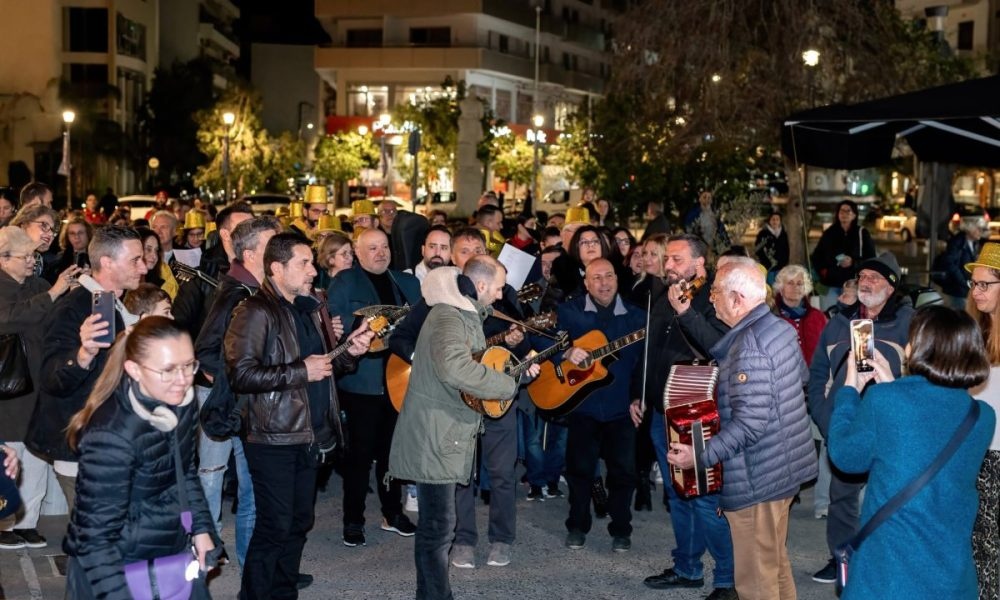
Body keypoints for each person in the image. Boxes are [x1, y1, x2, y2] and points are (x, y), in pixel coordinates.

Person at [225, 233, 373, 599]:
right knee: (274, 527)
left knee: (298, 524)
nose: (312, 270)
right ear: (276, 268)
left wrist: (349, 351)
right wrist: (299, 372)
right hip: (273, 436)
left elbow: (324, 366)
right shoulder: (254, 310)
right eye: (303, 263)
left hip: (310, 433)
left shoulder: (308, 308)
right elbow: (240, 375)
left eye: (312, 262)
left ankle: (283, 591)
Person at [668, 257, 817, 600]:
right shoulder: (777, 327)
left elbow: (749, 425)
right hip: (782, 470)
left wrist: (699, 455)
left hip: (757, 478)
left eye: (716, 291)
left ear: (737, 299)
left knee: (754, 582)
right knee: (775, 566)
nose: (710, 298)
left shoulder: (749, 347)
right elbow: (802, 379)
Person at [829, 306, 995, 599]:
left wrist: (849, 390)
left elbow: (845, 456)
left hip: (889, 574)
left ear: (920, 348)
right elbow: (928, 431)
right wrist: (895, 388)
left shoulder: (885, 401)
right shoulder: (981, 415)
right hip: (950, 575)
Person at [388, 257, 521, 600]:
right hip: (436, 436)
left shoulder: (459, 313)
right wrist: (504, 384)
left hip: (442, 433)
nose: (501, 292)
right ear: (480, 286)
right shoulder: (450, 316)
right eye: (498, 285)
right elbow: (455, 369)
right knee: (437, 529)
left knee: (437, 527)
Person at [62, 317, 218, 599]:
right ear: (134, 369)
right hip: (112, 570)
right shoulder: (110, 435)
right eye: (168, 370)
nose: (183, 380)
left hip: (168, 555)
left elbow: (185, 472)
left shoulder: (181, 402)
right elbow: (94, 540)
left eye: (188, 366)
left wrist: (200, 528)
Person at [636, 234, 736, 600]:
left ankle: (727, 580)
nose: (668, 266)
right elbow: (650, 351)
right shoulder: (663, 296)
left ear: (699, 264)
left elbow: (719, 347)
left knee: (706, 498)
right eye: (667, 260)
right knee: (679, 496)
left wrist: (686, 313)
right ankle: (687, 568)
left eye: (676, 259)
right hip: (661, 412)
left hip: (697, 415)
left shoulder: (713, 299)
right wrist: (640, 394)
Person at [808, 251, 914, 584]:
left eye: (875, 278)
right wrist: (827, 416)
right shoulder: (838, 322)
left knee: (890, 498)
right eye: (862, 277)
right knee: (842, 497)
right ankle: (841, 557)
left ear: (891, 286)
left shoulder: (910, 324)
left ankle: (884, 562)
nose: (865, 283)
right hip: (847, 423)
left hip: (891, 427)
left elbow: (920, 376)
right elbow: (817, 375)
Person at [26, 225, 147, 510]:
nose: (144, 266)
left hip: (109, 443)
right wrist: (83, 354)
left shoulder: (112, 305)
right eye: (135, 260)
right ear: (107, 262)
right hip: (83, 450)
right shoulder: (74, 308)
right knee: (97, 542)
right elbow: (51, 378)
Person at [194, 216, 282, 571]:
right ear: (249, 254)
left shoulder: (256, 288)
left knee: (253, 491)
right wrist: (241, 380)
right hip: (238, 404)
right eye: (271, 246)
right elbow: (206, 349)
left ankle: (253, 565)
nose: (279, 253)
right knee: (245, 488)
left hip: (247, 403)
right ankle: (247, 566)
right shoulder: (237, 291)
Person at [327, 227, 421, 547]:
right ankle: (353, 520)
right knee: (359, 456)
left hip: (399, 380)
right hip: (361, 382)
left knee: (392, 453)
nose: (380, 253)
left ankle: (392, 513)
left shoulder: (408, 283)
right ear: (357, 251)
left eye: (384, 247)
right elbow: (336, 332)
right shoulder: (345, 282)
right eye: (372, 248)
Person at [555, 258, 644, 554]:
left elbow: (645, 365)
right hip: (583, 405)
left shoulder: (637, 317)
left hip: (622, 408)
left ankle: (621, 529)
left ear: (617, 279)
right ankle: (577, 526)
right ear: (586, 283)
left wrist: (638, 396)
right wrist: (566, 353)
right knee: (580, 471)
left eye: (609, 276)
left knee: (623, 473)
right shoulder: (569, 312)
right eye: (596, 278)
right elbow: (542, 343)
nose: (604, 283)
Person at [0, 226, 79, 550]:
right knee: (10, 455)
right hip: (8, 387)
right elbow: (9, 318)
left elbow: (55, 319)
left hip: (38, 383)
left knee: (35, 456)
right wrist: (52, 294)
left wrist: (70, 292)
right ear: (4, 259)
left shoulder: (38, 284)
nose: (33, 261)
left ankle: (27, 523)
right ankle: (5, 522)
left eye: (34, 255)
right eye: (26, 257)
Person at [773, 264, 830, 519]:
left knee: (816, 443)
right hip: (780, 391)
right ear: (780, 286)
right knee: (783, 446)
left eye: (799, 283)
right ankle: (782, 493)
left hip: (813, 389)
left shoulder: (818, 317)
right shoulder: (770, 315)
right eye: (789, 282)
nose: (794, 288)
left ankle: (821, 501)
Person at [964, 242, 1000, 598]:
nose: (976, 291)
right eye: (973, 284)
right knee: (977, 543)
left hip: (998, 454)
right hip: (974, 451)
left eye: (985, 283)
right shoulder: (973, 332)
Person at [810, 200, 877, 310]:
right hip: (830, 284)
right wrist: (824, 272)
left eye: (848, 211)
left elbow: (871, 259)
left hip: (853, 285)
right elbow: (817, 256)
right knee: (829, 316)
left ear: (854, 215)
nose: (844, 214)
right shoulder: (829, 233)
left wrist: (853, 262)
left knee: (851, 318)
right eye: (841, 211)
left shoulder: (862, 233)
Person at [935, 218, 982, 310]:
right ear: (969, 230)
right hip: (957, 290)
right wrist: (963, 282)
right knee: (959, 318)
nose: (980, 231)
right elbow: (950, 264)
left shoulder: (973, 242)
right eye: (977, 229)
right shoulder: (957, 242)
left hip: (966, 289)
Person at [10, 204, 57, 278]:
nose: (51, 234)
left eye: (52, 230)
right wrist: (56, 289)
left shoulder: (42, 262)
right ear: (23, 226)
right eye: (44, 226)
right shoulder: (5, 258)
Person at [137, 227, 179, 299]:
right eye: (148, 249)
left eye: (156, 250)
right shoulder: (122, 284)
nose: (154, 256)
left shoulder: (160, 284)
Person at [754, 212, 789, 282]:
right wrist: (766, 260)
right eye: (773, 219)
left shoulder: (783, 234)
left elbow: (786, 249)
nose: (775, 221)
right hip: (768, 267)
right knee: (769, 285)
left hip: (781, 267)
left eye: (777, 219)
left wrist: (785, 262)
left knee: (779, 285)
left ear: (780, 221)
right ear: (769, 221)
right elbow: (758, 249)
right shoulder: (763, 233)